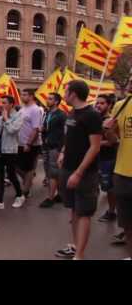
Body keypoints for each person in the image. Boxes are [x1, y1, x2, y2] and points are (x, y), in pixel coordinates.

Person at [55, 80, 102, 260]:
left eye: (66, 91)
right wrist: (62, 152)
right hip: (67, 169)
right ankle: (75, 247)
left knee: (83, 214)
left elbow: (95, 147)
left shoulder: (92, 115)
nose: (64, 95)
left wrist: (79, 172)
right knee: (73, 211)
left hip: (85, 174)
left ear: (73, 93)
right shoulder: (72, 113)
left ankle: (80, 255)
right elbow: (69, 138)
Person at [104, 72, 132, 259]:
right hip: (123, 172)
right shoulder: (121, 107)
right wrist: (107, 130)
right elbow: (115, 140)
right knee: (127, 223)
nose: (130, 82)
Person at [0, 95, 25, 211]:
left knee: (12, 175)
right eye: (1, 103)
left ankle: (20, 195)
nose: (1, 105)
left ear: (11, 104)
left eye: (4, 103)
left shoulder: (18, 116)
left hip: (10, 151)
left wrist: (6, 119)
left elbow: (12, 130)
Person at [39, 92, 67, 208]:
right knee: (49, 171)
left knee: (53, 172)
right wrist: (43, 129)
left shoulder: (61, 115)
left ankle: (50, 198)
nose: (47, 100)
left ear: (56, 101)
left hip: (55, 146)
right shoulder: (46, 113)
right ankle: (60, 194)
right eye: (47, 98)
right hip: (46, 145)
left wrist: (62, 149)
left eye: (50, 99)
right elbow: (48, 128)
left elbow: (66, 132)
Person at [95, 94, 118, 222]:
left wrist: (95, 143)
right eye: (97, 103)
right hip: (95, 158)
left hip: (107, 158)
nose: (98, 105)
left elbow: (112, 142)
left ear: (109, 105)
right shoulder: (94, 118)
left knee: (109, 187)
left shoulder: (111, 120)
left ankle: (111, 211)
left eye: (102, 103)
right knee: (95, 184)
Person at [16, 89, 43, 199]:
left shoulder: (35, 110)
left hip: (31, 144)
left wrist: (29, 144)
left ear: (31, 96)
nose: (22, 96)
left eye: (25, 94)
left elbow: (36, 129)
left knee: (29, 168)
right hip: (19, 143)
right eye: (22, 94)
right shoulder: (22, 109)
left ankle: (25, 191)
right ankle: (28, 181)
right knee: (16, 166)